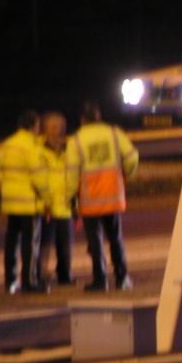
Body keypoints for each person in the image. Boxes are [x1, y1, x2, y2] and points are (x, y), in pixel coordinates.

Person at [66, 101, 139, 291]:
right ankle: (122, 278)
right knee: (116, 239)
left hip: (89, 200)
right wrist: (126, 174)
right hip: (113, 197)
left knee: (95, 242)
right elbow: (132, 157)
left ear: (82, 120)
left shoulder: (76, 141)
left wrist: (71, 197)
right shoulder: (114, 133)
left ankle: (100, 280)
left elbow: (72, 173)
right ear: (98, 117)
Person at [0, 109, 49, 294]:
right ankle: (29, 281)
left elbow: (1, 173)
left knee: (12, 243)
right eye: (38, 126)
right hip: (29, 203)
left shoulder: (7, 144)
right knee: (30, 244)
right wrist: (48, 199)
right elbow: (39, 177)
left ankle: (10, 280)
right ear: (34, 126)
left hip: (11, 202)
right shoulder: (31, 146)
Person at [37, 111, 74, 286]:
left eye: (60, 126)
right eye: (53, 127)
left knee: (65, 243)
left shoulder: (70, 146)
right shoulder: (38, 148)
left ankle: (65, 275)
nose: (58, 130)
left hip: (65, 203)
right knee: (44, 242)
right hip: (47, 204)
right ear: (45, 129)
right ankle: (41, 274)